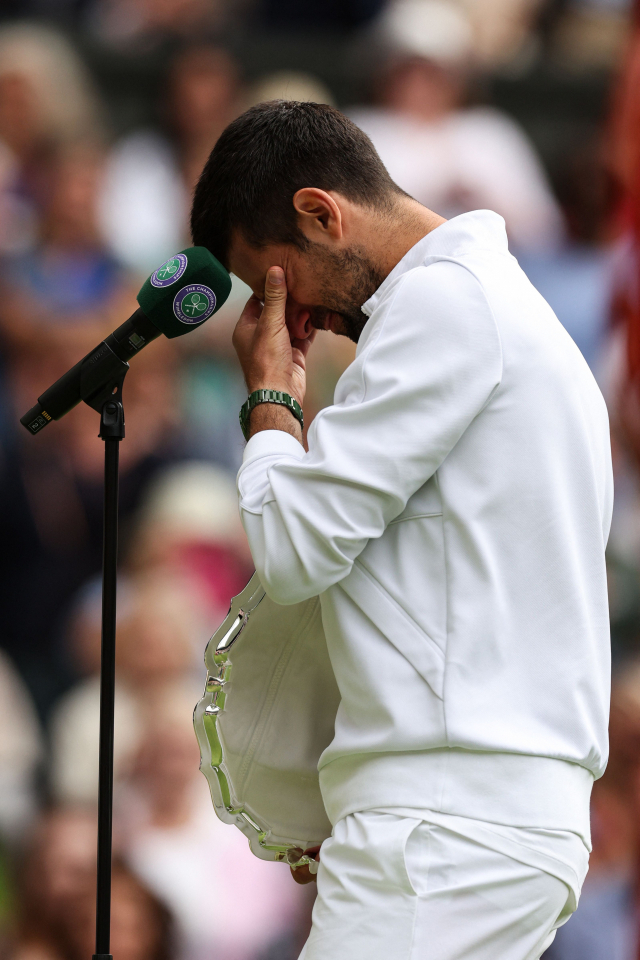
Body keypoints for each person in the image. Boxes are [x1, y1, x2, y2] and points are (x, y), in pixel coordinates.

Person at [191, 100, 613, 960]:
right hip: (467, 820)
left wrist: (270, 399)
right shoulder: (483, 303)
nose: (292, 320)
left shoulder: (446, 302)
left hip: (448, 830)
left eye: (273, 282)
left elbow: (295, 549)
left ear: (320, 213)